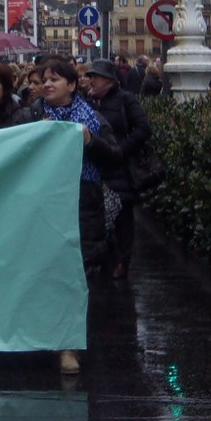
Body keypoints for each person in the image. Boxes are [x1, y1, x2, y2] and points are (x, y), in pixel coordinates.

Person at [37, 58, 120, 375]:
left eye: (55, 79)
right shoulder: (32, 115)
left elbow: (114, 157)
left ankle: (68, 347)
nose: (47, 84)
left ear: (72, 85)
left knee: (77, 274)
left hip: (82, 203)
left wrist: (89, 140)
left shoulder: (93, 119)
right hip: (41, 203)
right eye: (44, 79)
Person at [81, 59, 153, 280]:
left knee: (122, 219)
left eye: (96, 76)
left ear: (109, 80)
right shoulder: (87, 103)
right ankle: (103, 259)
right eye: (90, 75)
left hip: (121, 171)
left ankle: (122, 262)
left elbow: (143, 128)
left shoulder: (125, 100)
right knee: (100, 217)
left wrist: (120, 149)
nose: (90, 79)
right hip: (98, 170)